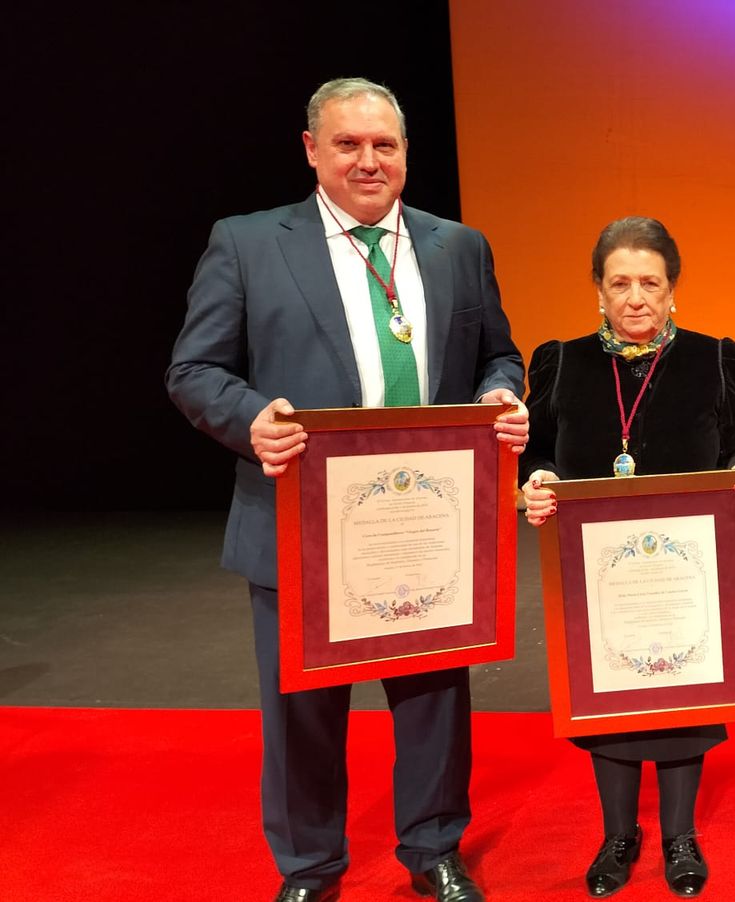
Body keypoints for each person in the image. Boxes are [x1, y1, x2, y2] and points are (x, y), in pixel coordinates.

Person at [167, 77, 526, 902]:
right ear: (312, 150)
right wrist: (252, 418)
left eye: (385, 145)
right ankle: (309, 867)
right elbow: (193, 370)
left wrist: (499, 395)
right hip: (301, 520)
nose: (369, 161)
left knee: (435, 695)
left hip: (429, 521)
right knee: (303, 711)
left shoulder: (457, 245)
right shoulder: (249, 243)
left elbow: (498, 356)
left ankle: (435, 849)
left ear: (405, 153)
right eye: (349, 144)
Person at [521, 217, 735, 898]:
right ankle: (617, 835)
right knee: (611, 700)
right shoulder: (561, 361)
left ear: (672, 291)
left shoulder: (714, 357)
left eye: (650, 283)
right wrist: (536, 478)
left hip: (686, 569)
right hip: (595, 571)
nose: (636, 297)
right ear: (599, 291)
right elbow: (535, 446)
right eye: (620, 283)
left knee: (683, 696)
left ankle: (680, 836)